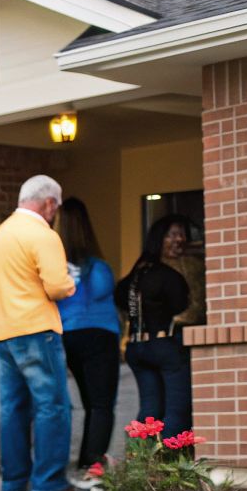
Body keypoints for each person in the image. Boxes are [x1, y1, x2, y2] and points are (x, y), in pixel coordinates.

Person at [0, 175, 86, 491]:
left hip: (1, 332)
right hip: (36, 329)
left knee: (12, 409)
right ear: (50, 203)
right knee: (52, 405)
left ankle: (13, 481)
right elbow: (56, 285)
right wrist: (71, 282)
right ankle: (50, 481)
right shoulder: (43, 234)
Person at [55, 198, 120, 474]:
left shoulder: (55, 268)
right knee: (101, 403)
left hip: (67, 335)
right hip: (100, 335)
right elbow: (105, 291)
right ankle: (94, 463)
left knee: (84, 402)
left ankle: (84, 459)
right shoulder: (99, 267)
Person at [117, 217, 195, 438]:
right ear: (158, 240)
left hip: (136, 346)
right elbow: (180, 305)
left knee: (150, 411)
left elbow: (122, 299)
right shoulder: (168, 276)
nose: (179, 239)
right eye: (171, 234)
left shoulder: (133, 277)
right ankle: (170, 462)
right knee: (177, 410)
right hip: (164, 345)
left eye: (181, 234)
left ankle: (141, 463)